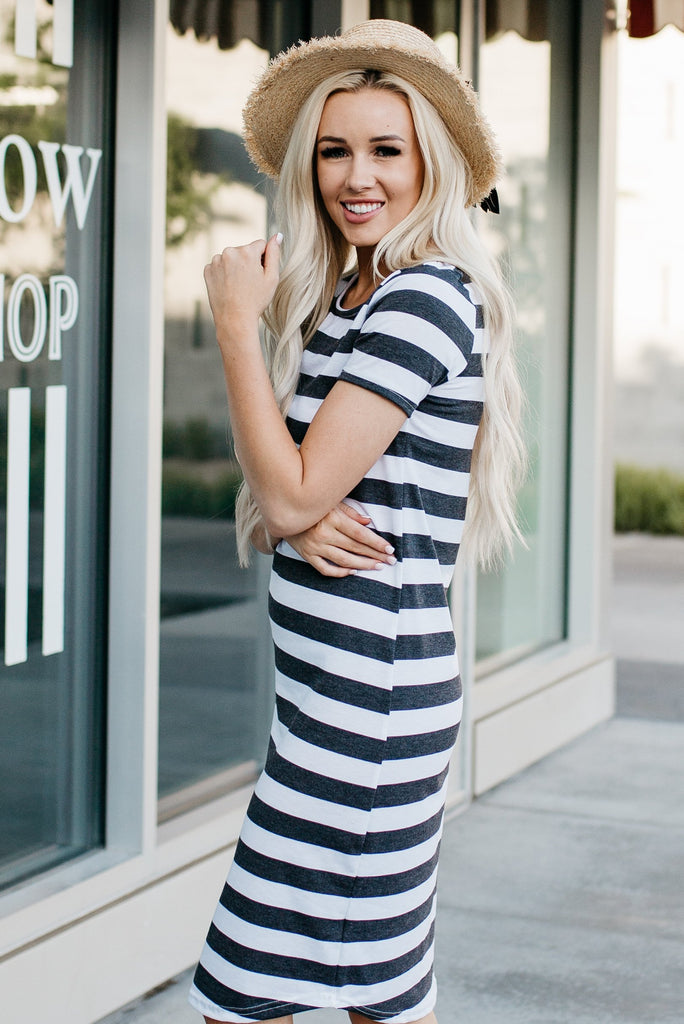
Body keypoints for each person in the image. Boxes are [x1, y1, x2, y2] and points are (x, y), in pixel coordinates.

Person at [189, 18, 525, 1024]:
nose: (357, 176)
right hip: (333, 695)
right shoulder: (348, 297)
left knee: (248, 996)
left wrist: (233, 327)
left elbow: (292, 491)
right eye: (335, 150)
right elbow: (284, 503)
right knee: (372, 990)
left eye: (387, 149)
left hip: (367, 703)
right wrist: (290, 520)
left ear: (431, 163)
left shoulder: (421, 298)